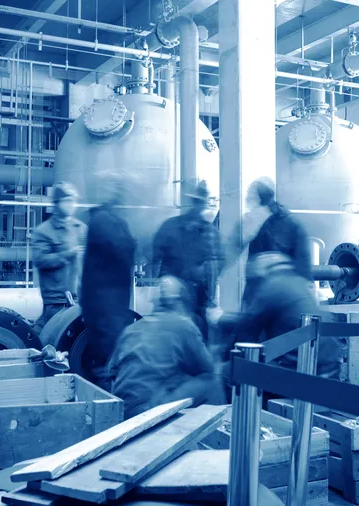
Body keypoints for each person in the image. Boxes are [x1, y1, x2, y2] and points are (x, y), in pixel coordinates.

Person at [219, 252, 342, 401]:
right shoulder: (300, 283)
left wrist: (225, 352)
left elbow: (245, 330)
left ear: (262, 273)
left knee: (230, 370)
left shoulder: (272, 286)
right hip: (331, 370)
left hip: (300, 373)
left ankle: (239, 420)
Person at [108, 275, 226, 419]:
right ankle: (219, 431)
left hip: (124, 410)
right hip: (149, 410)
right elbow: (207, 369)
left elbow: (111, 371)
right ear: (180, 302)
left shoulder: (132, 328)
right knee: (212, 381)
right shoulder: (183, 325)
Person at [81, 174, 137, 391]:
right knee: (109, 354)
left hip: (112, 302)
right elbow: (122, 249)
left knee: (111, 352)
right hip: (105, 304)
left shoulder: (110, 219)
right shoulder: (103, 220)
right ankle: (110, 403)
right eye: (116, 188)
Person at [152, 180, 224, 343]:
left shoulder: (209, 232)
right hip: (174, 297)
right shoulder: (170, 227)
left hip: (199, 298)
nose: (199, 206)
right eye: (196, 201)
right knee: (172, 337)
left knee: (197, 337)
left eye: (201, 201)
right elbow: (156, 256)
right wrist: (165, 283)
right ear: (192, 202)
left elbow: (218, 261)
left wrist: (209, 285)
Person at [227, 178, 312, 307]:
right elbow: (232, 251)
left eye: (250, 199)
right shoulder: (254, 223)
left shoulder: (291, 225)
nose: (248, 205)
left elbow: (304, 269)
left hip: (280, 298)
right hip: (262, 296)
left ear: (260, 200)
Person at [31, 182, 87, 335]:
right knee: (54, 340)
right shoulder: (44, 232)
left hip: (80, 298)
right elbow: (40, 260)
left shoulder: (80, 228)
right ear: (56, 204)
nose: (72, 205)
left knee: (78, 340)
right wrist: (66, 254)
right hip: (56, 300)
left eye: (74, 201)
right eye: (67, 201)